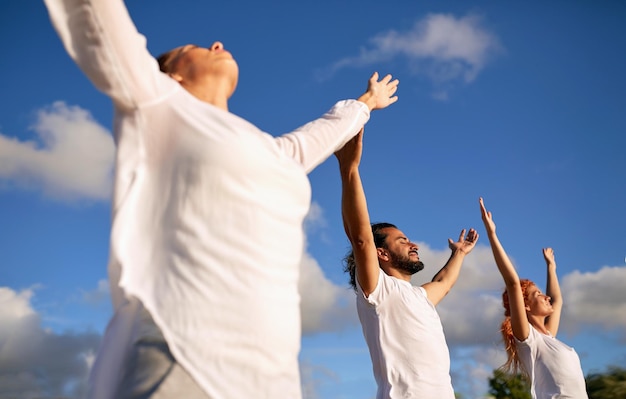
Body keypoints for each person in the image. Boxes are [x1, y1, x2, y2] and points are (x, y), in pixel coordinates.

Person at [43, 0, 400, 398]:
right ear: (172, 74)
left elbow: (323, 133)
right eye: (193, 48)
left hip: (272, 378)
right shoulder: (157, 102)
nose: (216, 43)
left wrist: (366, 102)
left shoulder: (270, 152)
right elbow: (93, 13)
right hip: (183, 357)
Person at [335, 130, 478, 398]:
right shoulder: (378, 290)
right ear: (383, 254)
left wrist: (459, 253)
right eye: (402, 241)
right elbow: (361, 239)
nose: (413, 245)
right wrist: (349, 169)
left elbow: (443, 283)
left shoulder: (420, 296)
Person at [479, 197, 588, 399]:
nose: (546, 297)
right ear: (525, 306)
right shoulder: (530, 340)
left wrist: (551, 268)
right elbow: (512, 282)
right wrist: (492, 234)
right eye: (537, 294)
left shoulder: (548, 336)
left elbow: (557, 301)